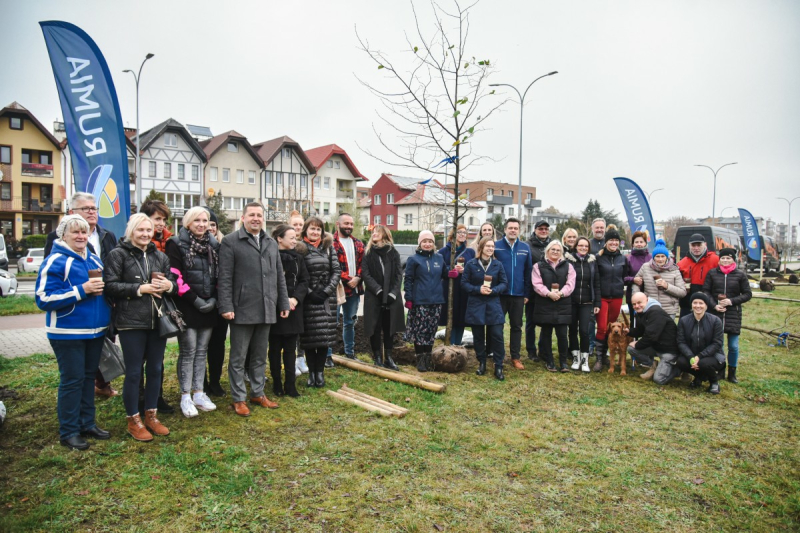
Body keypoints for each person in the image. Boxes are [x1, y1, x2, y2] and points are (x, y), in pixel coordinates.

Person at [36, 215, 112, 450]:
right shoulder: (56, 260)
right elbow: (43, 298)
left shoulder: (93, 259)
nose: (81, 236)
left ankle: (87, 423)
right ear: (63, 236)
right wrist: (81, 290)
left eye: (84, 232)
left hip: (95, 331)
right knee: (72, 380)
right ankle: (68, 431)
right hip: (67, 332)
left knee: (88, 378)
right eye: (75, 233)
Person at [104, 214, 175, 441]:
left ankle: (151, 415)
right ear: (131, 231)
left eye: (148, 230)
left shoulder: (160, 256)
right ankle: (133, 419)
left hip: (157, 321)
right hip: (130, 322)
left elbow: (171, 278)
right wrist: (140, 288)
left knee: (155, 369)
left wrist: (169, 285)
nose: (145, 234)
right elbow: (110, 285)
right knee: (134, 373)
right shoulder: (118, 254)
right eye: (140, 230)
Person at [44, 192, 119, 399]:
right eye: (86, 209)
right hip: (73, 319)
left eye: (94, 208)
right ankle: (71, 426)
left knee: (105, 346)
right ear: (71, 212)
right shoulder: (56, 240)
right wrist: (82, 289)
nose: (92, 212)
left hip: (102, 307)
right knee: (74, 375)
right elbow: (51, 279)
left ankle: (103, 384)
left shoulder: (107, 235)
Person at [218, 202, 290, 417]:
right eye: (252, 215)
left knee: (259, 355)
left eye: (259, 215)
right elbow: (224, 278)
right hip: (241, 309)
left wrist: (283, 302)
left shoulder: (270, 242)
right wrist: (226, 305)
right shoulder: (231, 242)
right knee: (239, 358)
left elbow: (279, 275)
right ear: (243, 218)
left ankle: (257, 393)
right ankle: (238, 398)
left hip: (267, 307)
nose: (256, 218)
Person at [165, 207, 220, 418]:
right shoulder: (176, 244)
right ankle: (185, 395)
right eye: (197, 220)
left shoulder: (214, 246)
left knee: (201, 351)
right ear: (188, 223)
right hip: (187, 305)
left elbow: (219, 275)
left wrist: (213, 299)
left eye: (205, 220)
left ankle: (199, 392)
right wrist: (195, 300)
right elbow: (175, 277)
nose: (202, 224)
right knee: (188, 351)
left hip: (208, 305)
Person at [137, 199, 176, 413]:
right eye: (157, 219)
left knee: (157, 359)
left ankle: (156, 397)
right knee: (138, 360)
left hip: (160, 306)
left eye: (163, 220)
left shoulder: (169, 243)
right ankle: (140, 397)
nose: (160, 224)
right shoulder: (134, 242)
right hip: (138, 308)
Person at [297, 216, 341, 387]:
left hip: (326, 299)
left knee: (323, 337)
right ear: (306, 230)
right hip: (308, 299)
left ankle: (319, 373)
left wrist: (326, 291)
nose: (315, 232)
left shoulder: (328, 248)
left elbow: (336, 271)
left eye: (318, 229)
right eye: (312, 228)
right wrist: (309, 292)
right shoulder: (300, 248)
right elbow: (299, 274)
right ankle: (311, 373)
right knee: (309, 339)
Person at [404, 230, 455, 372]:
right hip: (420, 301)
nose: (427, 244)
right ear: (420, 243)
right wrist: (408, 298)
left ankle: (428, 359)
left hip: (436, 300)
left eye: (430, 241)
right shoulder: (413, 260)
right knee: (421, 331)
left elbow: (444, 273)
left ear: (434, 244)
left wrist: (452, 273)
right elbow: (408, 280)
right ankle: (420, 359)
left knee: (431, 331)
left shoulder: (439, 258)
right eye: (424, 241)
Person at [268, 224, 309, 397]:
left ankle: (290, 384)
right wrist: (281, 302)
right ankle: (277, 382)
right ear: (279, 238)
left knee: (291, 349)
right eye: (291, 237)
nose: (295, 241)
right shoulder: (270, 256)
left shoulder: (298, 258)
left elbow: (304, 280)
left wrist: (295, 299)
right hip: (275, 309)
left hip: (294, 309)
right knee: (275, 348)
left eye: (295, 237)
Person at [703, 247, 752, 384]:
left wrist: (732, 301)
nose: (725, 260)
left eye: (728, 258)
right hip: (715, 313)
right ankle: (720, 369)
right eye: (723, 258)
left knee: (733, 346)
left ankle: (732, 372)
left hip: (733, 314)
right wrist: (714, 305)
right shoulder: (712, 274)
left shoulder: (740, 275)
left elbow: (748, 294)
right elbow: (706, 291)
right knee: (718, 344)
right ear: (719, 260)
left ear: (733, 259)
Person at [462, 237, 507, 380]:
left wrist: (493, 291)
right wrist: (477, 289)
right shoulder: (471, 264)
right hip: (476, 304)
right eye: (487, 246)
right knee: (478, 336)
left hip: (493, 304)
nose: (490, 248)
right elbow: (464, 283)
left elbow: (504, 283)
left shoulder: (498, 265)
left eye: (492, 246)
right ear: (481, 247)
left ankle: (498, 365)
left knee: (497, 335)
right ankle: (481, 362)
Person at [361, 225, 405, 370]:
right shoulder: (368, 253)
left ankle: (389, 357)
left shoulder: (393, 253)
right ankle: (377, 357)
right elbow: (365, 275)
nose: (373, 234)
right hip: (374, 297)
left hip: (391, 297)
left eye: (377, 232)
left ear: (385, 235)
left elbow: (399, 274)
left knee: (389, 326)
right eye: (373, 232)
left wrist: (392, 293)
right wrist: (378, 291)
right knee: (375, 326)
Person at [494, 218, 533, 370]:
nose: (513, 230)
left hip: (518, 294)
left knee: (516, 326)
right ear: (505, 230)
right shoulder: (496, 247)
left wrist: (526, 293)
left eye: (516, 228)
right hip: (500, 294)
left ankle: (515, 357)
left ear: (519, 230)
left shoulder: (525, 247)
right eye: (510, 228)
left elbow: (528, 271)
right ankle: (498, 355)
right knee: (497, 326)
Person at [531, 240, 576, 372]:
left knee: (562, 335)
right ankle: (549, 361)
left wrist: (561, 294)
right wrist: (548, 293)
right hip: (545, 303)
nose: (555, 252)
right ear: (547, 251)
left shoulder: (569, 266)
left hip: (563, 304)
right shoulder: (538, 266)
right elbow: (537, 283)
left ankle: (563, 362)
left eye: (558, 250)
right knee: (546, 334)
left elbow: (571, 284)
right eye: (553, 249)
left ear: (562, 252)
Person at [593, 226, 630, 371]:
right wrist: (596, 298)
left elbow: (624, 276)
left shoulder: (623, 258)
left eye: (616, 240)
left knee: (613, 328)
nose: (614, 243)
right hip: (602, 297)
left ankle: (609, 355)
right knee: (602, 327)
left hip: (616, 297)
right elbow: (596, 279)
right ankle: (599, 359)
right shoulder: (599, 258)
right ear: (606, 242)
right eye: (611, 240)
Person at [676, 293, 726, 394]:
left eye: (701, 303)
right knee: (681, 362)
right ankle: (699, 377)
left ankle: (714, 382)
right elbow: (681, 342)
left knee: (703, 363)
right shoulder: (684, 320)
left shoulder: (716, 321)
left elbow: (717, 343)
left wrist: (699, 356)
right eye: (695, 303)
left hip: (713, 356)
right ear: (691, 305)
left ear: (706, 305)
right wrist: (690, 357)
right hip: (692, 354)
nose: (698, 306)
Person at [332, 213, 364, 363]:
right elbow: (333, 267)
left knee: (350, 321)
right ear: (338, 224)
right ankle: (327, 356)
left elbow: (363, 264)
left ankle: (349, 353)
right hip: (336, 289)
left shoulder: (358, 243)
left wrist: (358, 278)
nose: (349, 226)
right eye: (346, 223)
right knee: (332, 323)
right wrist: (348, 279)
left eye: (351, 224)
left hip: (354, 289)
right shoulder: (330, 243)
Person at [203, 211, 229, 397]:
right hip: (199, 303)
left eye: (213, 224)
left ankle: (215, 381)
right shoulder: (191, 245)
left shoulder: (223, 246)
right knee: (199, 346)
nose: (210, 227)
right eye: (206, 223)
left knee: (217, 345)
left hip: (221, 301)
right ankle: (200, 383)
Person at [565, 237, 600, 372]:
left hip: (587, 302)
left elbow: (596, 283)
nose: (583, 248)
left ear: (589, 248)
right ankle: (575, 357)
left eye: (586, 246)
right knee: (572, 330)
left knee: (584, 331)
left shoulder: (592, 262)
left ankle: (584, 359)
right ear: (576, 246)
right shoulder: (569, 260)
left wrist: (597, 302)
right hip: (571, 301)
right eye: (581, 245)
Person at [626, 293, 678, 380]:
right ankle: (653, 365)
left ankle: (677, 369)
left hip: (669, 350)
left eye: (639, 303)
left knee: (659, 380)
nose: (636, 306)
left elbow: (651, 336)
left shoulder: (655, 312)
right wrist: (629, 331)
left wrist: (638, 344)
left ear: (647, 300)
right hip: (656, 346)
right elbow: (641, 331)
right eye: (634, 304)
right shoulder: (642, 312)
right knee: (631, 349)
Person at [438, 224, 475, 345]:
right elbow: (440, 269)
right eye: (459, 232)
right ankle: (450, 344)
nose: (462, 234)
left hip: (464, 289)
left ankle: (458, 344)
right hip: (450, 288)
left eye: (464, 232)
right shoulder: (444, 251)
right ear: (453, 234)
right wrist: (452, 269)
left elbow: (475, 269)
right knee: (451, 317)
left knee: (461, 318)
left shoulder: (470, 252)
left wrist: (466, 271)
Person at [632, 239, 686, 319]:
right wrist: (637, 297)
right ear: (653, 257)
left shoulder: (674, 269)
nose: (660, 259)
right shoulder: (646, 267)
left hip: (668, 310)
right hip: (649, 308)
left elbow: (682, 292)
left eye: (662, 256)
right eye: (657, 256)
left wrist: (667, 286)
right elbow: (636, 282)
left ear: (667, 257)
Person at [525, 220, 551, 362]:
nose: (543, 231)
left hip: (548, 290)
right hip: (533, 291)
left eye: (546, 229)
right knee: (530, 322)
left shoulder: (552, 244)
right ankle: (531, 350)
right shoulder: (528, 246)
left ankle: (543, 349)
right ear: (535, 230)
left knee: (546, 322)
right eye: (540, 229)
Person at [677, 234, 719, 318]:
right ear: (689, 245)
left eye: (699, 245)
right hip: (687, 305)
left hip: (709, 304)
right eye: (693, 245)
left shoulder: (716, 260)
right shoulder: (682, 263)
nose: (696, 248)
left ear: (705, 244)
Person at [289, 211, 310, 376]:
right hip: (290, 294)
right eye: (294, 224)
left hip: (305, 291)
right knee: (291, 330)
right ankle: (290, 360)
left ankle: (301, 357)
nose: (297, 228)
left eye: (300, 225)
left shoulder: (306, 245)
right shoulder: (283, 244)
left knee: (303, 328)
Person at [625, 231, 652, 318]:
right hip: (633, 295)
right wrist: (633, 279)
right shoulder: (628, 259)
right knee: (635, 322)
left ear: (645, 243)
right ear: (633, 244)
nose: (639, 244)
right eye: (636, 242)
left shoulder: (651, 258)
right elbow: (623, 278)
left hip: (649, 295)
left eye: (641, 242)